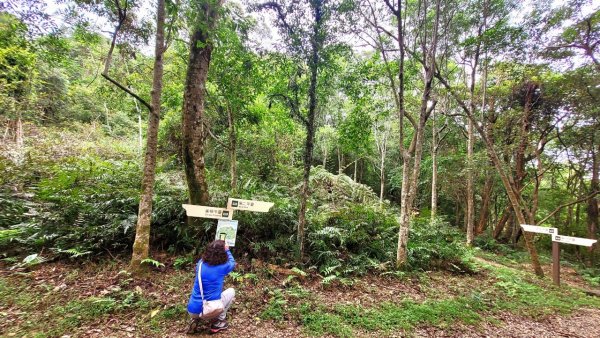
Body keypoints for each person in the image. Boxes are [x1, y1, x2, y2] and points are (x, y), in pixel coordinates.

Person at [187, 240, 236, 333]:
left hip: (192, 309)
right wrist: (227, 250)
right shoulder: (222, 267)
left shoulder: (200, 264)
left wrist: (216, 245)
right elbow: (232, 263)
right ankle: (218, 322)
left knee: (200, 297)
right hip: (209, 310)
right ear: (222, 254)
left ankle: (194, 319)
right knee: (231, 291)